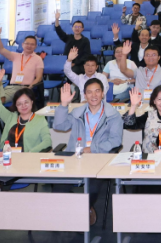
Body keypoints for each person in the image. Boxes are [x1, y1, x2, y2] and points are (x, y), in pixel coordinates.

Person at [52, 79, 122, 226]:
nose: (93, 95)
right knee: (58, 186)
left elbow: (115, 141)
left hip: (98, 160)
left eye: (97, 91)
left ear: (103, 94)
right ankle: (80, 210)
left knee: (92, 188)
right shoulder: (77, 113)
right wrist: (63, 104)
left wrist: (92, 149)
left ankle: (80, 214)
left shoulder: (113, 115)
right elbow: (59, 125)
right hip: (76, 158)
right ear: (84, 95)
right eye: (89, 92)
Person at [0, 71, 51, 152]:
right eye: (19, 103)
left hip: (28, 157)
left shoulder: (40, 120)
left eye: (26, 102)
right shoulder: (10, 117)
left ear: (32, 102)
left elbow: (47, 141)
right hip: (8, 155)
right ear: (16, 105)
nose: (23, 106)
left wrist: (30, 153)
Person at [123, 85, 161, 154]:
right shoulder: (148, 115)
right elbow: (130, 125)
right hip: (149, 156)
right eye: (159, 99)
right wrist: (133, 106)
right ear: (154, 101)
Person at [0, 23, 43, 101]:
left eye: (32, 44)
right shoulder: (15, 56)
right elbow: (0, 49)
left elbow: (39, 78)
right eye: (27, 43)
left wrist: (29, 88)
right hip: (11, 87)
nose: (29, 46)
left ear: (35, 46)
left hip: (26, 87)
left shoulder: (38, 59)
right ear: (22, 44)